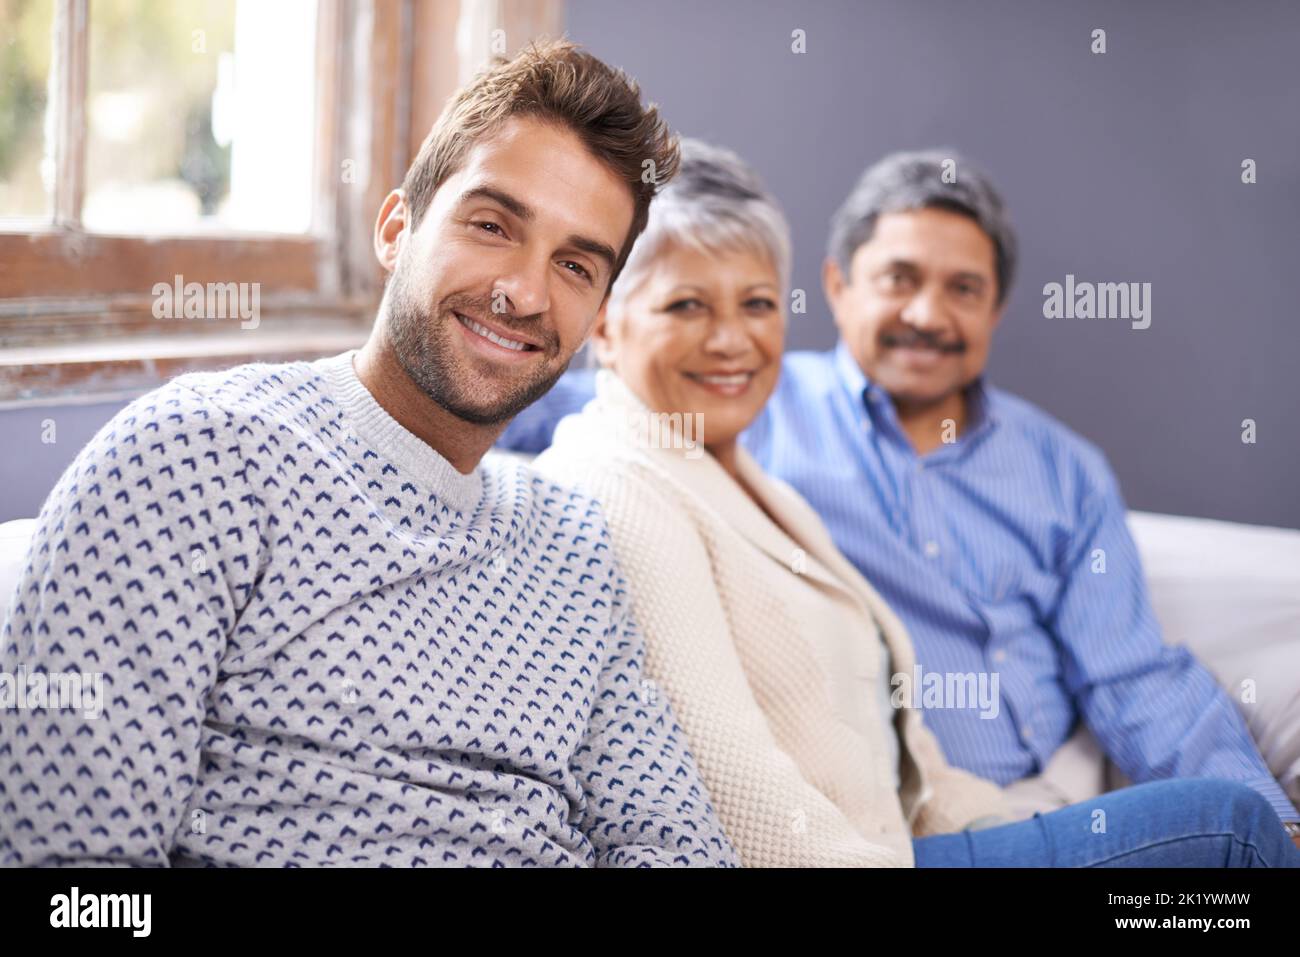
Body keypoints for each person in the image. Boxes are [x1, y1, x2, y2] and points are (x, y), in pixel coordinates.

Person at [0, 40, 737, 868]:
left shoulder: (574, 543)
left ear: (599, 312)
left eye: (574, 264)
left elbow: (672, 843)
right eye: (492, 224)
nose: (525, 293)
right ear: (397, 228)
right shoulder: (195, 459)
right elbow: (75, 879)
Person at [527, 139, 1300, 867]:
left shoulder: (1059, 468)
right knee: (1228, 834)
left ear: (996, 309)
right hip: (862, 841)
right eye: (900, 279)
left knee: (1230, 845)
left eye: (963, 289)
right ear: (837, 286)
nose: (928, 315)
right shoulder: (748, 412)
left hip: (1008, 800)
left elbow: (1133, 674)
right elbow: (573, 399)